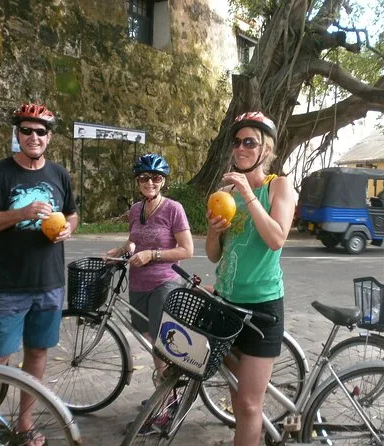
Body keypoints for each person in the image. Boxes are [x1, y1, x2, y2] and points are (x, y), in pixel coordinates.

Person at [0, 101, 78, 445]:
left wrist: (69, 228)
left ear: (49, 137)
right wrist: (21, 213)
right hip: (9, 285)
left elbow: (73, 213)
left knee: (37, 353)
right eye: (26, 130)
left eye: (40, 131)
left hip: (49, 283)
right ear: (17, 134)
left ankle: (24, 425)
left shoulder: (59, 174)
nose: (34, 137)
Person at [205, 111, 295, 446]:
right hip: (226, 304)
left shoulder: (279, 186)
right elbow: (214, 255)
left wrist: (248, 195)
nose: (240, 148)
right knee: (235, 397)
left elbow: (276, 238)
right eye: (237, 142)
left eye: (249, 142)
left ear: (266, 150)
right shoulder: (225, 193)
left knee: (248, 403)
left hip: (262, 308)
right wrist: (214, 232)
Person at [105, 153, 193, 384]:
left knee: (162, 340)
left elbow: (187, 250)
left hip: (164, 282)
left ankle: (168, 393)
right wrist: (120, 250)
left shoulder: (173, 209)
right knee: (148, 336)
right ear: (138, 181)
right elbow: (134, 241)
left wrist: (152, 255)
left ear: (163, 180)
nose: (150, 182)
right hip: (138, 282)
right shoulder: (136, 209)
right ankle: (164, 385)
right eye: (144, 178)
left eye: (156, 177)